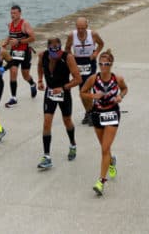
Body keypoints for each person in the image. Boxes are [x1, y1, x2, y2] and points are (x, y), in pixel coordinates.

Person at [80, 49, 128, 196]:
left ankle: (101, 181)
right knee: (104, 147)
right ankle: (112, 161)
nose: (103, 66)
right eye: (101, 63)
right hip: (97, 114)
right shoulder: (93, 79)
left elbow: (125, 89)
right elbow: (82, 92)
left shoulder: (117, 79)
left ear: (111, 64)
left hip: (112, 113)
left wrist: (120, 96)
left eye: (106, 63)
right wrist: (93, 95)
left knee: (104, 148)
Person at [36, 37, 82, 170]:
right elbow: (39, 66)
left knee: (67, 120)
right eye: (52, 53)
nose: (55, 56)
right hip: (50, 93)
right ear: (48, 49)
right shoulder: (43, 55)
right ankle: (47, 156)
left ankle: (72, 145)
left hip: (63, 92)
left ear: (60, 49)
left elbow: (78, 79)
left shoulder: (68, 58)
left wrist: (63, 88)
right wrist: (40, 80)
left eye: (57, 53)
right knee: (46, 122)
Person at [65, 17, 105, 126]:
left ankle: (91, 113)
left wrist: (96, 53)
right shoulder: (71, 36)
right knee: (82, 92)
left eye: (82, 28)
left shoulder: (93, 34)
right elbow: (67, 48)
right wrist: (71, 57)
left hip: (89, 61)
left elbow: (101, 44)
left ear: (86, 27)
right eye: (78, 28)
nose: (80, 30)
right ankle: (89, 112)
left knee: (86, 89)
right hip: (78, 63)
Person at [2, 5, 38, 107]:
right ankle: (13, 98)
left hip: (25, 52)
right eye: (11, 13)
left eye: (15, 13)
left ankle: (32, 83)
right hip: (14, 53)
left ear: (20, 13)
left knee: (25, 75)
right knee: (13, 72)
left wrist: (18, 41)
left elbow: (33, 38)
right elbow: (10, 35)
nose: (12, 15)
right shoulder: (10, 24)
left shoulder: (25, 24)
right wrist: (5, 43)